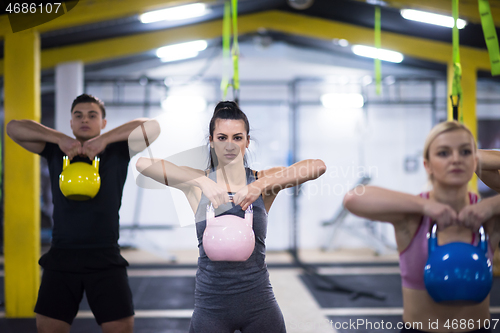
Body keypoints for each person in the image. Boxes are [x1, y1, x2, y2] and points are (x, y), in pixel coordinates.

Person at [136, 101, 326, 333]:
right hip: (210, 306)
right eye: (222, 137)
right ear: (211, 140)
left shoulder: (263, 181)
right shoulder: (196, 183)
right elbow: (143, 164)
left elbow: (317, 166)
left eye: (237, 137)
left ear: (247, 141)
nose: (230, 145)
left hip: (259, 304)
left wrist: (261, 185)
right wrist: (201, 181)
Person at [6, 93, 159, 333]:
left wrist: (103, 141)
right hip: (62, 255)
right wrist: (60, 139)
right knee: (48, 328)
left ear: (103, 123)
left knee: (120, 329)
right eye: (78, 115)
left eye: (92, 115)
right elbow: (13, 128)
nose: (84, 120)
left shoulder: (118, 150)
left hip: (105, 256)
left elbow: (152, 127)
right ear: (70, 122)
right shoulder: (56, 151)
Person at [343, 121, 500, 333]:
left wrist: (491, 204)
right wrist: (425, 205)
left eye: (464, 152)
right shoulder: (412, 216)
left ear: (475, 162)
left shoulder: (488, 217)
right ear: (427, 165)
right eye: (443, 153)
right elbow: (354, 198)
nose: (455, 159)